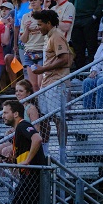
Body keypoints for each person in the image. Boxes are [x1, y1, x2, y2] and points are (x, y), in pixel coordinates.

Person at [30, 9, 70, 154]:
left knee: (58, 118)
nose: (38, 27)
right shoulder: (49, 36)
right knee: (44, 119)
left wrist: (43, 69)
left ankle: (62, 153)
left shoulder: (57, 36)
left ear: (48, 23)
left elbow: (64, 59)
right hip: (47, 82)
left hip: (57, 81)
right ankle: (45, 151)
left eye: (40, 24)